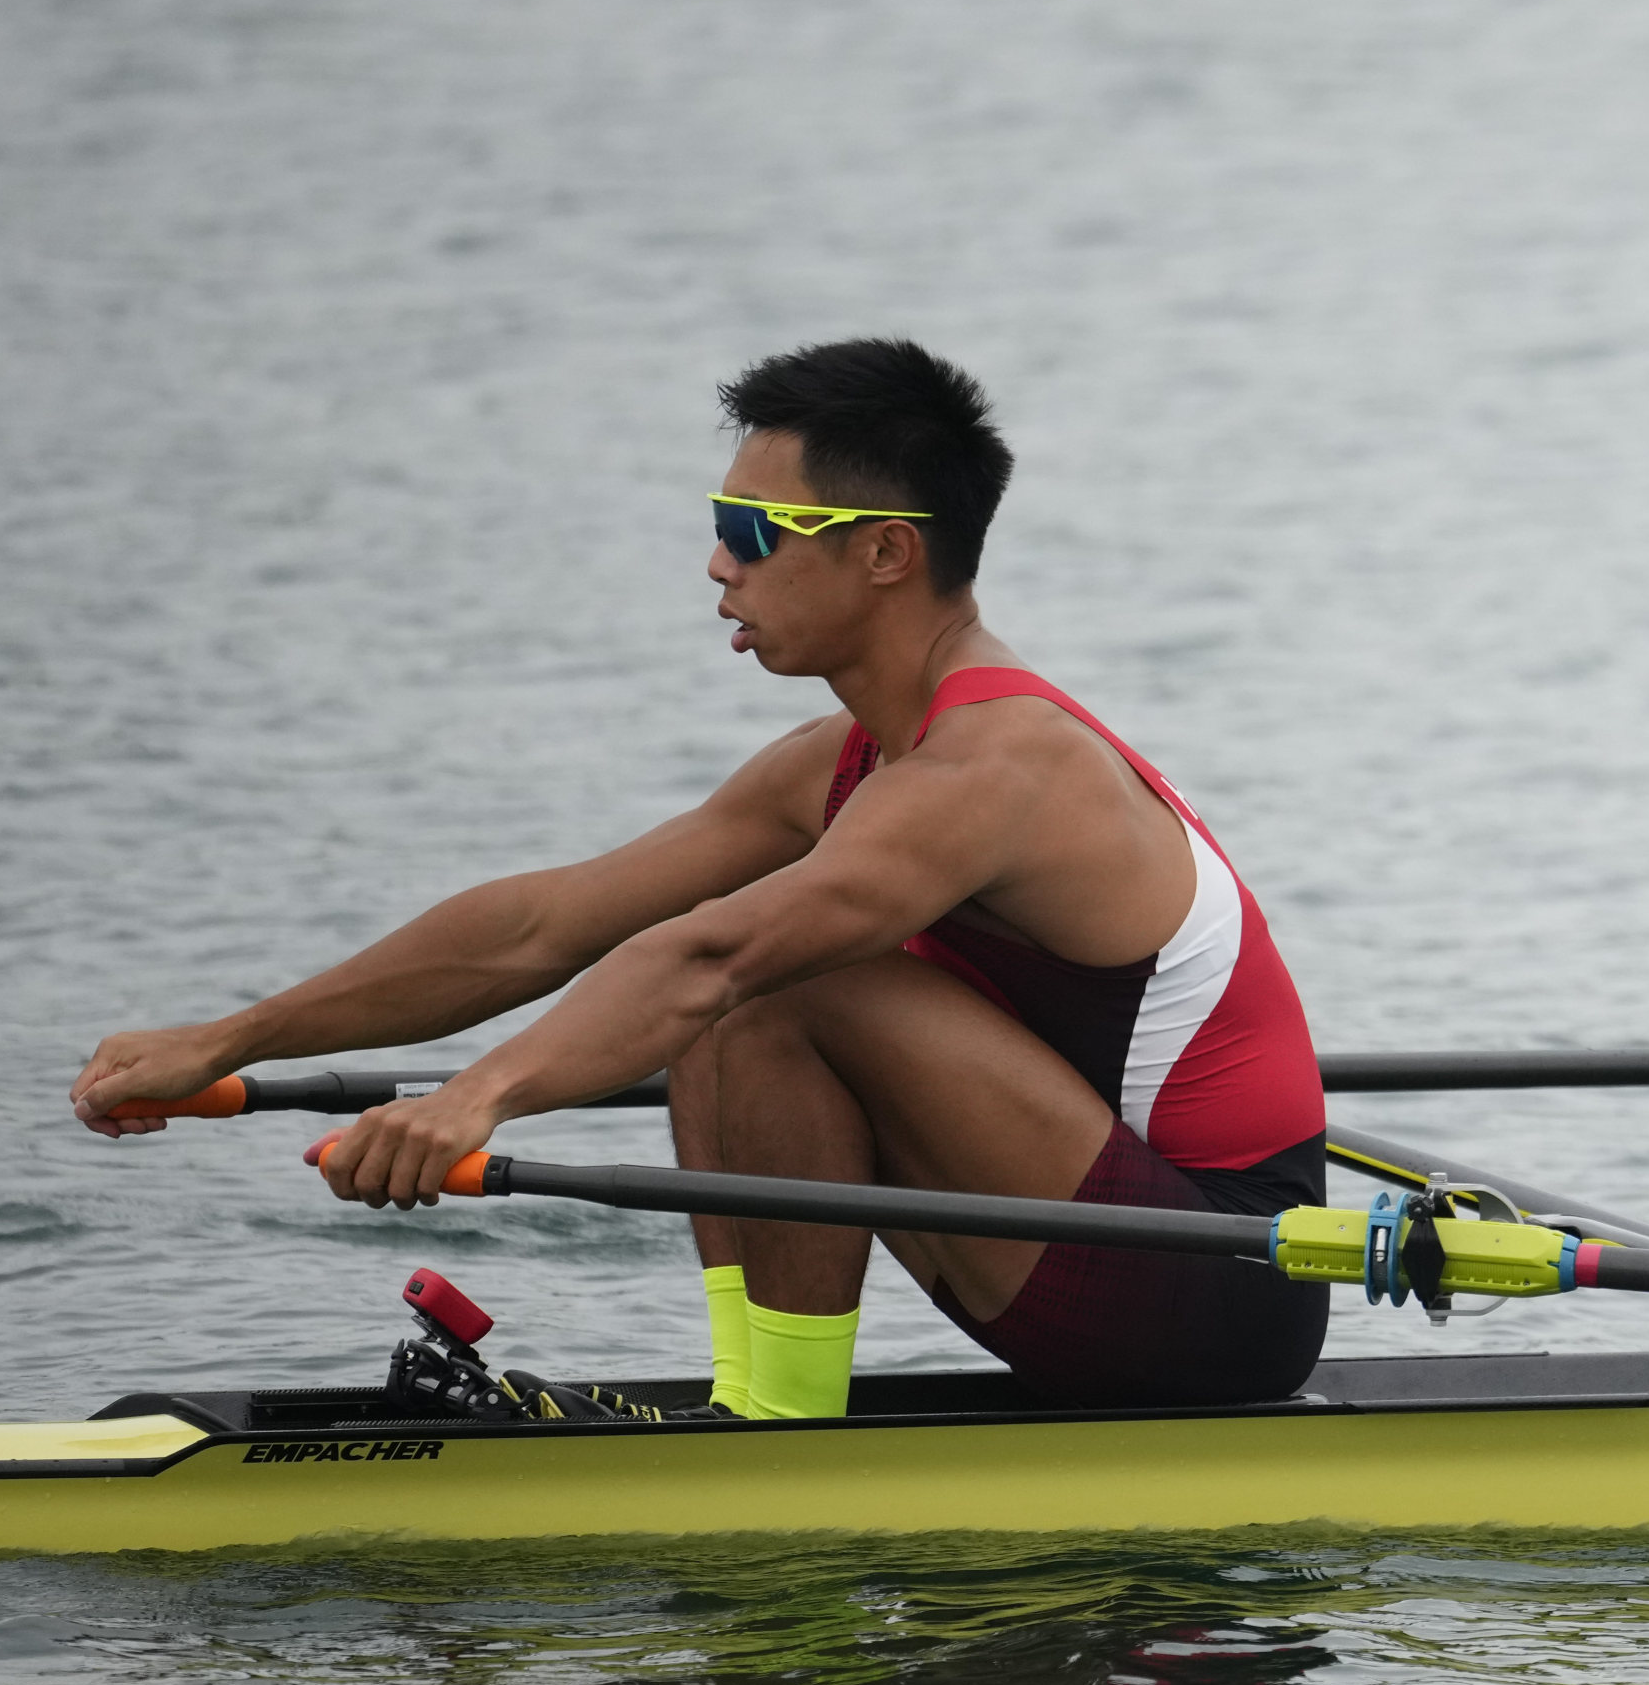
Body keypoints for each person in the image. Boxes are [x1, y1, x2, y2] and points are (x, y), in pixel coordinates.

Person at [66, 338, 1332, 1419]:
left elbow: (713, 958)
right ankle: (763, 1400)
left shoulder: (998, 768)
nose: (719, 567)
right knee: (744, 990)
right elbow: (539, 926)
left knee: (782, 985)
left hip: (1221, 1287)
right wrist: (228, 1039)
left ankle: (774, 1429)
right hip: (1086, 1246)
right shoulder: (836, 765)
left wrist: (478, 1101)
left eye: (751, 534)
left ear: (886, 553)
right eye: (716, 530)